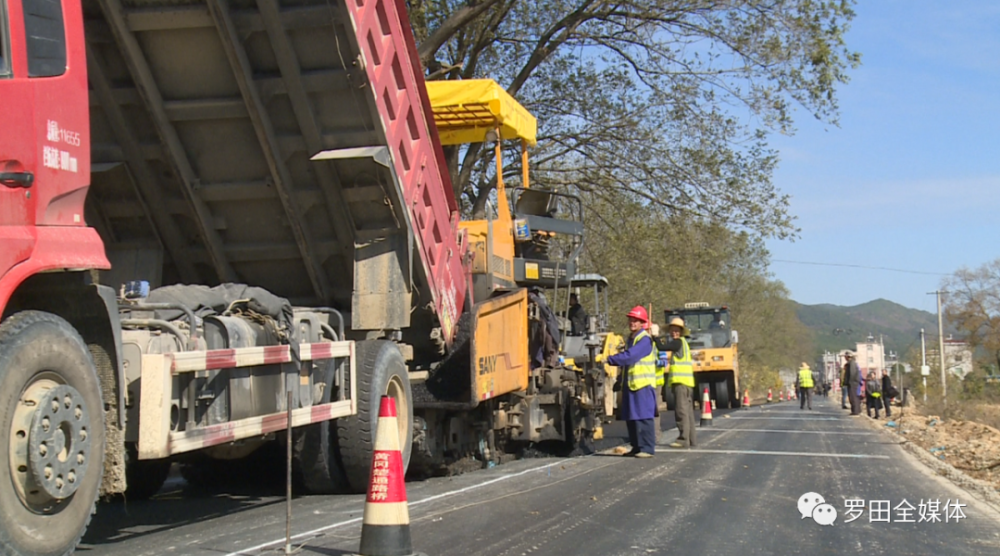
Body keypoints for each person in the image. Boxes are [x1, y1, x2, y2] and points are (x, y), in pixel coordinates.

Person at [608, 306, 658, 458]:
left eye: (636, 320)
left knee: (643, 418)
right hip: (631, 385)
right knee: (631, 418)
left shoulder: (644, 340)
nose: (632, 322)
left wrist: (609, 359)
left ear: (642, 322)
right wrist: (620, 380)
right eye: (631, 319)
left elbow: (629, 357)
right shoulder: (631, 339)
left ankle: (647, 448)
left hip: (643, 385)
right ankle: (636, 447)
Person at [662, 317, 697, 449]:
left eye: (677, 330)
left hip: (681, 383)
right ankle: (692, 439)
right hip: (687, 383)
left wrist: (654, 337)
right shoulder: (684, 344)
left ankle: (683, 439)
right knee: (688, 413)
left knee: (681, 412)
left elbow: (661, 347)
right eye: (672, 330)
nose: (674, 332)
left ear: (681, 332)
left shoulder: (677, 343)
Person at [844, 352, 863, 416]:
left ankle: (855, 410)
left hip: (853, 383)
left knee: (853, 397)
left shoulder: (852, 364)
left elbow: (852, 374)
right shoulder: (851, 363)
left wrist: (849, 382)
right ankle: (855, 410)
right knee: (853, 396)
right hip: (853, 382)